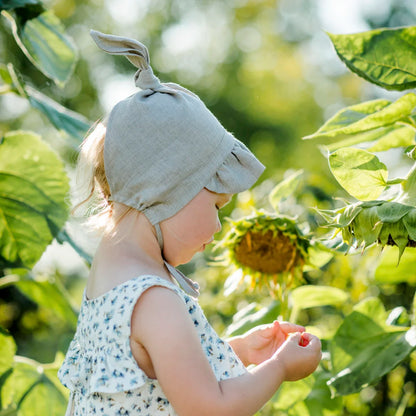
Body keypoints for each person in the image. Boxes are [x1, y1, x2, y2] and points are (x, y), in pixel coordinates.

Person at [58, 30, 321, 416]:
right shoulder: (153, 296)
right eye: (216, 204)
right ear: (170, 187)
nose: (217, 226)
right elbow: (209, 407)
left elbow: (157, 376)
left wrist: (240, 350)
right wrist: (279, 368)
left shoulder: (113, 275)